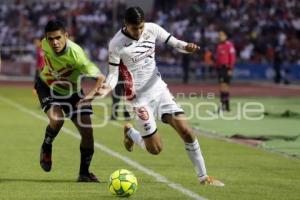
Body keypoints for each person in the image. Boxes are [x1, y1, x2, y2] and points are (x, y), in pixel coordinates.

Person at [99, 7, 224, 186]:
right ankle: (131, 133)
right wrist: (106, 88)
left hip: (159, 90)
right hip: (138, 99)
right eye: (135, 28)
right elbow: (112, 75)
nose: (140, 31)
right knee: (156, 149)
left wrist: (187, 47)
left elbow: (176, 43)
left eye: (141, 27)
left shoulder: (152, 29)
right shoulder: (116, 44)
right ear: (126, 25)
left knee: (187, 131)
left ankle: (204, 178)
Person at [34, 20, 105, 182]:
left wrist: (89, 98)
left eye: (58, 38)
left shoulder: (77, 55)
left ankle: (84, 174)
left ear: (66, 36)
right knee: (57, 119)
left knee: (87, 131)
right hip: (47, 87)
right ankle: (46, 146)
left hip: (73, 93)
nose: (54, 42)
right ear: (46, 38)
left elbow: (101, 78)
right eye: (50, 39)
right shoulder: (44, 44)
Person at [215, 31, 236, 112]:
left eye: (222, 35)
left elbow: (232, 58)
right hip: (220, 68)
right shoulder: (219, 46)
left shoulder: (229, 45)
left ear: (226, 36)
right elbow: (217, 59)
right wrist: (216, 67)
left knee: (224, 86)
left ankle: (223, 106)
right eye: (219, 35)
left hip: (226, 68)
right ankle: (226, 107)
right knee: (223, 87)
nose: (220, 37)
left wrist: (230, 68)